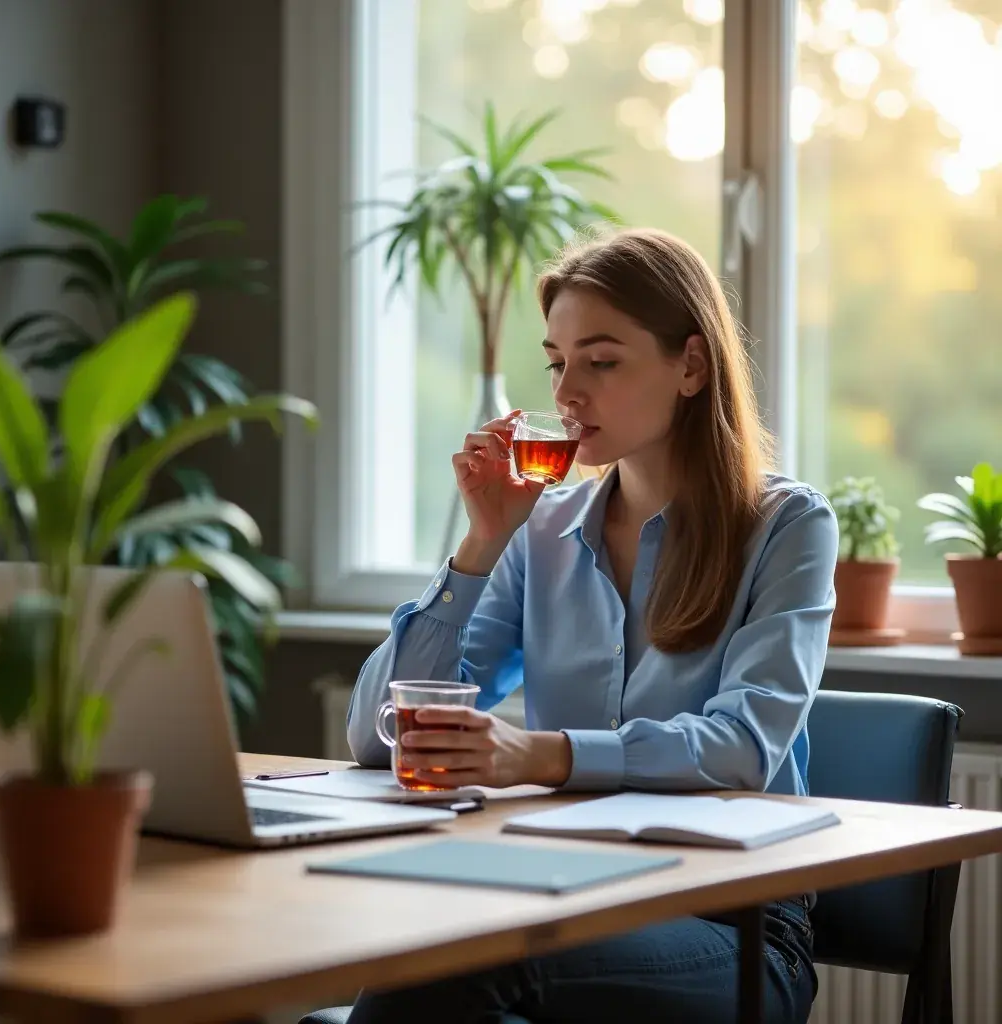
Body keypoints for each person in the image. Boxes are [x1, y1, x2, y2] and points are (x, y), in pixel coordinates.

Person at [341, 227, 837, 1024]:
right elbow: (376, 735)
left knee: (455, 965)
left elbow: (744, 747)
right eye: (557, 362)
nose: (568, 392)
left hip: (736, 928)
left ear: (691, 366)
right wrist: (479, 544)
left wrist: (534, 754)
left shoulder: (785, 525)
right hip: (569, 887)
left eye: (601, 361)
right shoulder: (540, 529)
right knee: (423, 956)